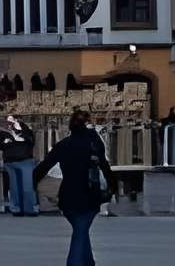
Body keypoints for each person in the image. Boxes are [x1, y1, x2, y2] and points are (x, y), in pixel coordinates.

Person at [47, 109, 111, 266]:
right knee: (80, 231)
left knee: (80, 229)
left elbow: (49, 165)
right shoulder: (93, 140)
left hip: (68, 195)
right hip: (88, 194)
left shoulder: (65, 143)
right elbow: (103, 164)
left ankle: (88, 261)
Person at [0, 113, 39, 216]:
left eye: (11, 120)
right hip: (10, 161)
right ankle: (16, 208)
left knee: (27, 186)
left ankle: (29, 209)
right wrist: (9, 142)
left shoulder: (26, 131)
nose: (9, 123)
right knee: (14, 187)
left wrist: (13, 141)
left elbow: (31, 142)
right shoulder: (4, 132)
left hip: (25, 161)